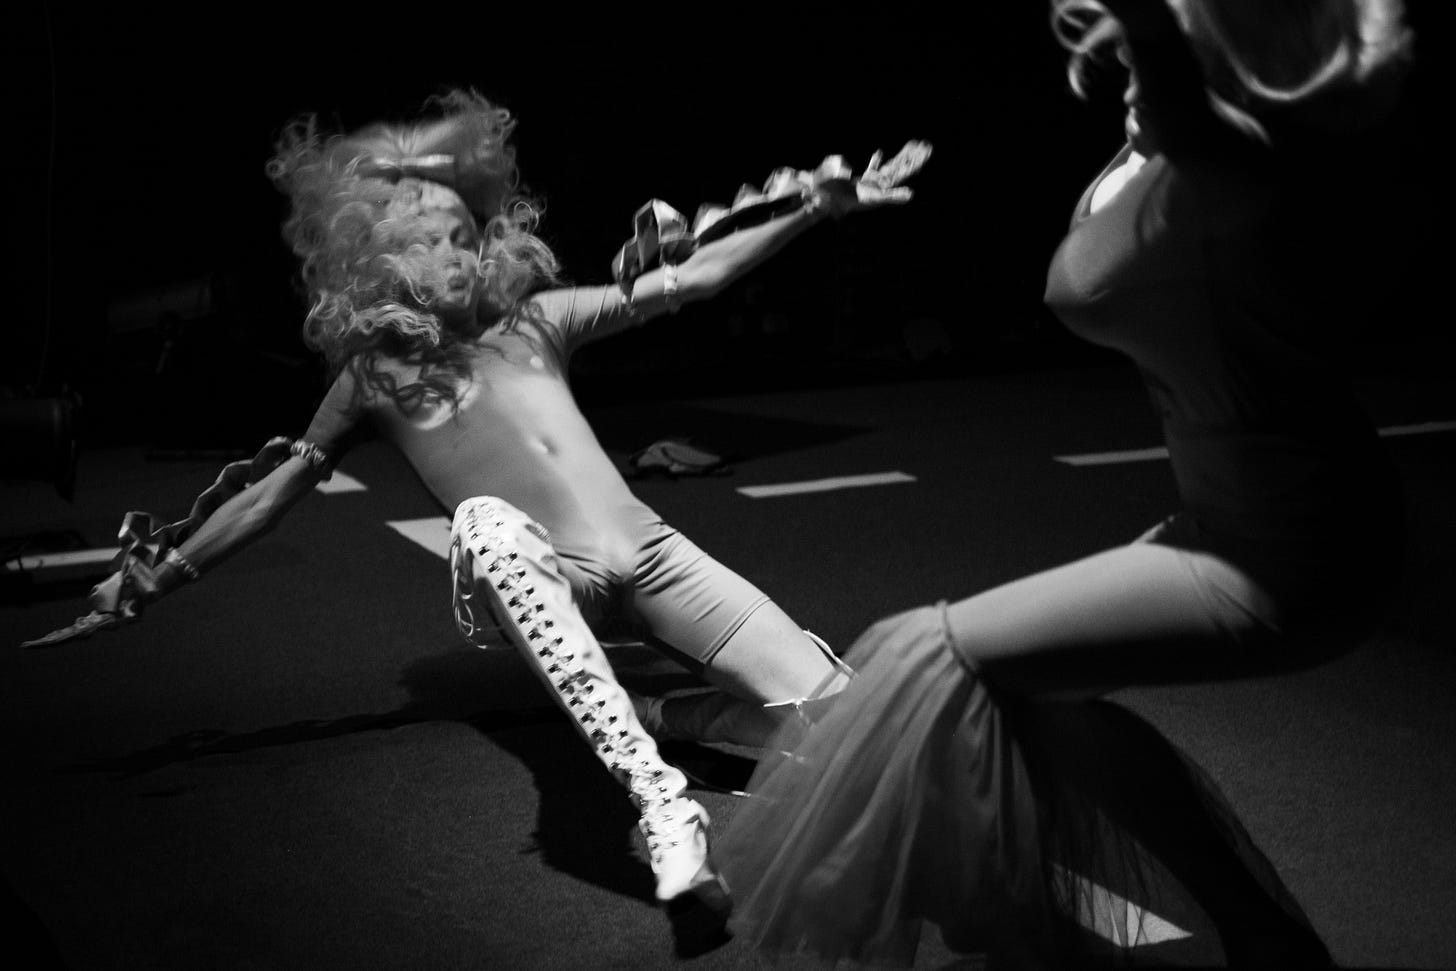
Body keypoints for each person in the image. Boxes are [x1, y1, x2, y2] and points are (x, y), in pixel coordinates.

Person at [25, 89, 928, 910]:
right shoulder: (371, 378)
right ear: (379, 256)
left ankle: (675, 715)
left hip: (654, 558)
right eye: (429, 240)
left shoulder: (535, 321)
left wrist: (814, 209)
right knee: (484, 525)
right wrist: (155, 578)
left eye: (466, 235)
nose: (456, 253)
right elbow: (267, 497)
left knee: (857, 727)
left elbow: (694, 278)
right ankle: (660, 797)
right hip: (545, 572)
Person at [713, 0, 1413, 966]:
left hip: (1299, 546)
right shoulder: (1144, 158)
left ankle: (1051, 934)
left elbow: (1181, 95)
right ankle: (1261, 941)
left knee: (931, 654)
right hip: (1224, 521)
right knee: (1039, 696)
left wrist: (1156, 29)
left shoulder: (1230, 162)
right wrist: (809, 206)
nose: (1128, 78)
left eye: (1155, 55)